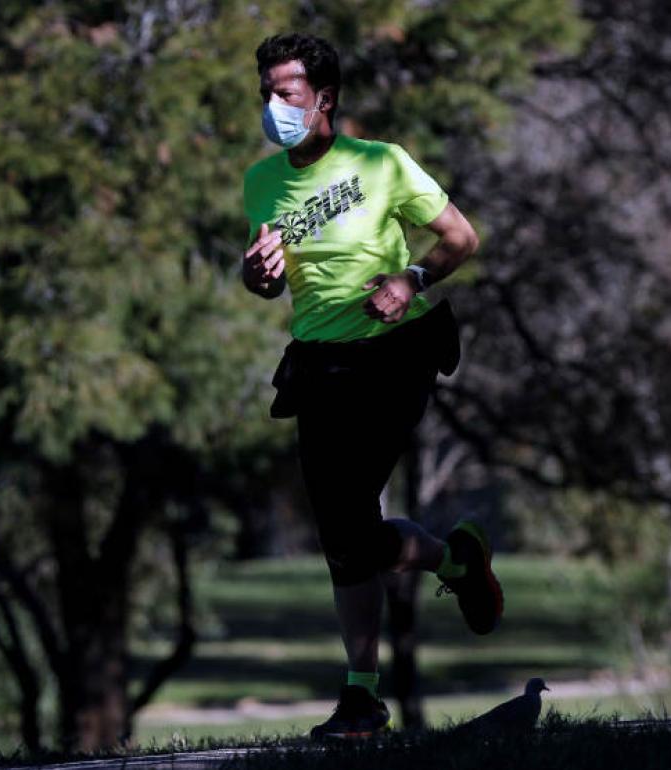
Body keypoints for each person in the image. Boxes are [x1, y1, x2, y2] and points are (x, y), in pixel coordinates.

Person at [241, 32, 503, 741]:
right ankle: (450, 565)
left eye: (285, 93)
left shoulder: (382, 164)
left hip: (393, 354)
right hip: (317, 366)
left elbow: (460, 238)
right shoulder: (261, 183)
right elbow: (270, 280)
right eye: (265, 92)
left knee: (351, 515)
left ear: (323, 99)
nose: (273, 106)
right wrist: (257, 276)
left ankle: (364, 693)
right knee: (344, 538)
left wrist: (410, 278)